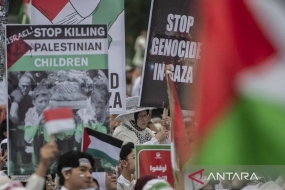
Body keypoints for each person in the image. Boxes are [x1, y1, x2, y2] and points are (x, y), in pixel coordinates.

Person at [9, 74, 33, 168]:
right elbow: (13, 115)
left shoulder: (21, 94)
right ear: (19, 84)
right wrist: (19, 124)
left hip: (17, 128)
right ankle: (21, 167)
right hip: (16, 129)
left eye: (28, 86)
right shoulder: (18, 95)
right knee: (21, 148)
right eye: (23, 86)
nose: (25, 88)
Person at [24, 85, 50, 169]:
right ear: (34, 102)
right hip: (36, 152)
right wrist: (39, 119)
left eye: (46, 101)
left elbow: (49, 139)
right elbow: (27, 138)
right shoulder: (30, 112)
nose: (44, 104)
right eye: (40, 101)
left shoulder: (52, 112)